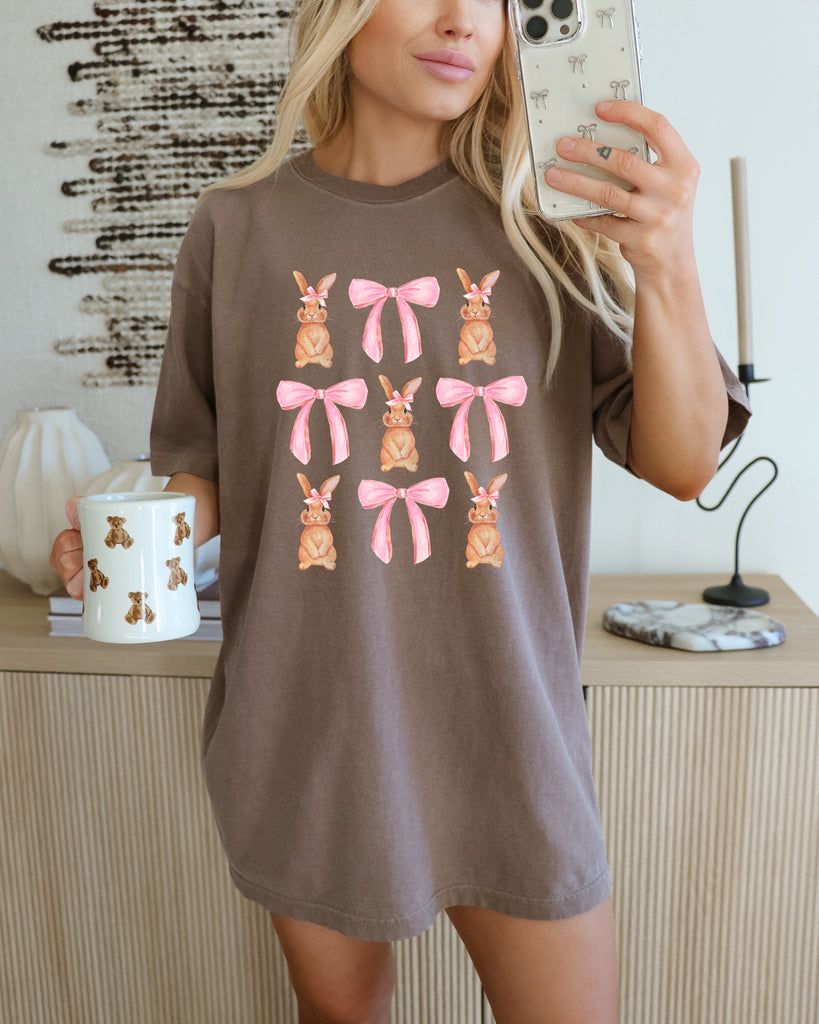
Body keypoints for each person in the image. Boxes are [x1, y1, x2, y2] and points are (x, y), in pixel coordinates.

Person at [51, 1, 751, 1021]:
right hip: (308, 727)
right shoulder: (234, 228)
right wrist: (123, 539)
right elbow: (204, 471)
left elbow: (683, 463)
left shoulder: (552, 222)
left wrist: (668, 258)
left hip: (513, 733)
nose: (462, 21)